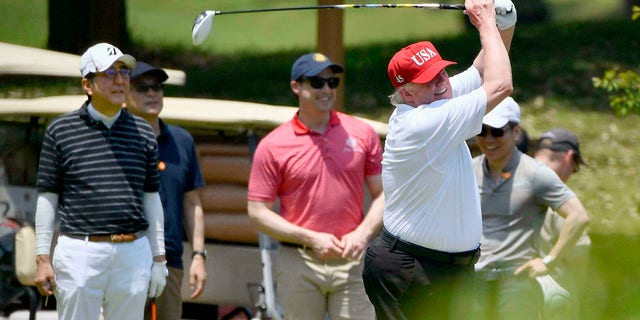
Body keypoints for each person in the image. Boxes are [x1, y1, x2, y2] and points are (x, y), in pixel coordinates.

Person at [361, 0, 518, 318]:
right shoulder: (422, 122)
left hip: (446, 269)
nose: (442, 82)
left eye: (442, 72)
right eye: (429, 79)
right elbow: (501, 85)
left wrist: (505, 19)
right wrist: (485, 22)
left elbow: (484, 70)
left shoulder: (435, 98)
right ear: (406, 93)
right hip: (410, 269)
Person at [33, 43, 168, 320]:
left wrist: (159, 258)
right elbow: (48, 197)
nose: (120, 80)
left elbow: (151, 198)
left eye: (123, 72)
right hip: (79, 252)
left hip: (133, 252)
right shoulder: (61, 131)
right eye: (108, 73)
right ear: (88, 84)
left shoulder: (143, 131)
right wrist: (42, 257)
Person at [247, 52, 385, 320]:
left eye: (332, 82)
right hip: (298, 260)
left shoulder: (362, 132)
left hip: (353, 261)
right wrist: (310, 237)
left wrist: (362, 234)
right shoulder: (273, 145)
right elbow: (257, 213)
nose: (326, 89)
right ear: (296, 87)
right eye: (316, 82)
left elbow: (384, 195)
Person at [471, 98, 590, 320]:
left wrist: (549, 260)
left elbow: (578, 216)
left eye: (497, 131)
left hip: (516, 282)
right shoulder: (467, 169)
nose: (488, 139)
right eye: (482, 130)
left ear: (516, 132)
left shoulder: (535, 173)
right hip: (473, 280)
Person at [125, 61, 207, 320]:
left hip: (170, 260)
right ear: (125, 95)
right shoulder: (114, 139)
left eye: (157, 87)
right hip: (123, 258)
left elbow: (192, 202)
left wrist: (198, 255)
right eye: (142, 88)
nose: (152, 94)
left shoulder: (182, 141)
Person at [534, 128, 591, 320]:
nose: (571, 174)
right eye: (575, 169)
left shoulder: (513, 183)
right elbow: (579, 253)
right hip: (555, 296)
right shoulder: (562, 203)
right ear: (569, 157)